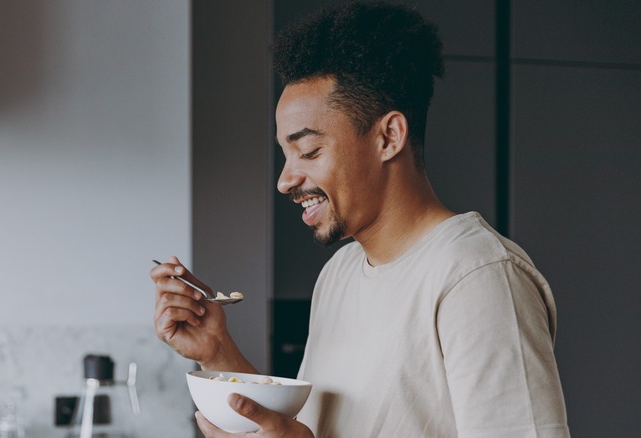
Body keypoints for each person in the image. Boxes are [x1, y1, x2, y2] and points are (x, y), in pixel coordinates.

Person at [151, 2, 570, 437]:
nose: (285, 180)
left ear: (388, 137)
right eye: (286, 153)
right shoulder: (341, 272)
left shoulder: (478, 277)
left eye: (309, 151)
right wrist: (218, 351)